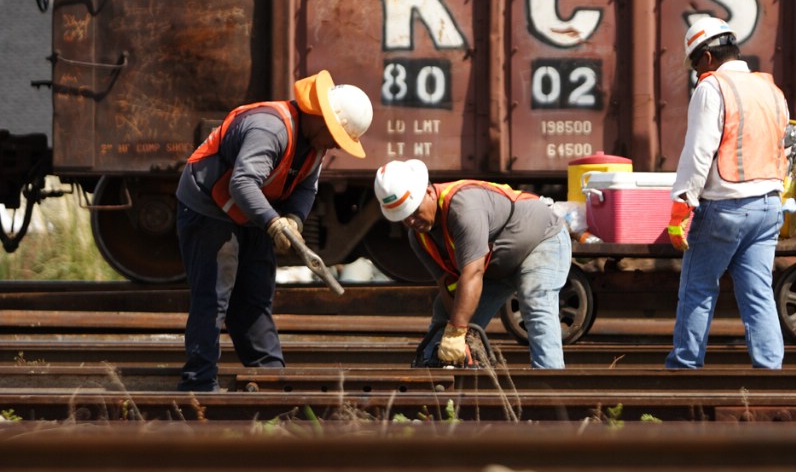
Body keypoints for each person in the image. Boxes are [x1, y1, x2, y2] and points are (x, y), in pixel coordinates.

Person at [175, 70, 373, 392]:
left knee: (254, 297)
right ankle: (198, 384)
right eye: (336, 137)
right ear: (322, 121)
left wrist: (293, 217)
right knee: (214, 298)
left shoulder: (314, 145)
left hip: (253, 211)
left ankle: (271, 379)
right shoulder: (271, 128)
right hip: (210, 209)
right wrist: (273, 221)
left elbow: (306, 186)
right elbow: (241, 182)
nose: (335, 146)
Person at [664, 17, 789, 370]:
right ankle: (769, 368)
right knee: (758, 294)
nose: (695, 74)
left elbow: (698, 152)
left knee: (698, 289)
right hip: (768, 207)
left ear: (706, 57)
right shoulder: (769, 88)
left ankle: (685, 366)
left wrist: (681, 205)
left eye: (695, 66)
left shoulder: (712, 87)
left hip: (726, 209)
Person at [373, 159, 571, 369]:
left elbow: (473, 273)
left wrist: (458, 329)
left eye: (414, 211)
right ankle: (436, 375)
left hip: (541, 240)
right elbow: (448, 285)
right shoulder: (419, 238)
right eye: (404, 217)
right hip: (498, 265)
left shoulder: (463, 207)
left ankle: (549, 384)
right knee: (445, 310)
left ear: (429, 192)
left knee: (535, 301)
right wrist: (457, 332)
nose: (411, 221)